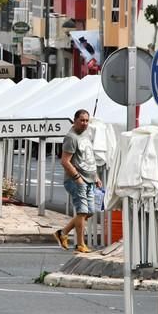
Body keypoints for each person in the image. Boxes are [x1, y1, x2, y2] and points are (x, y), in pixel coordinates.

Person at [53, 109, 102, 254]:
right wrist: (77, 178)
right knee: (82, 212)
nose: (85, 123)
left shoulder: (86, 135)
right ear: (75, 120)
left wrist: (96, 177)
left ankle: (63, 233)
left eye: (87, 120)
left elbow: (88, 158)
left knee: (90, 211)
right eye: (82, 120)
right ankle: (80, 244)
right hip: (76, 181)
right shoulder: (71, 137)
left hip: (90, 179)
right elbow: (65, 161)